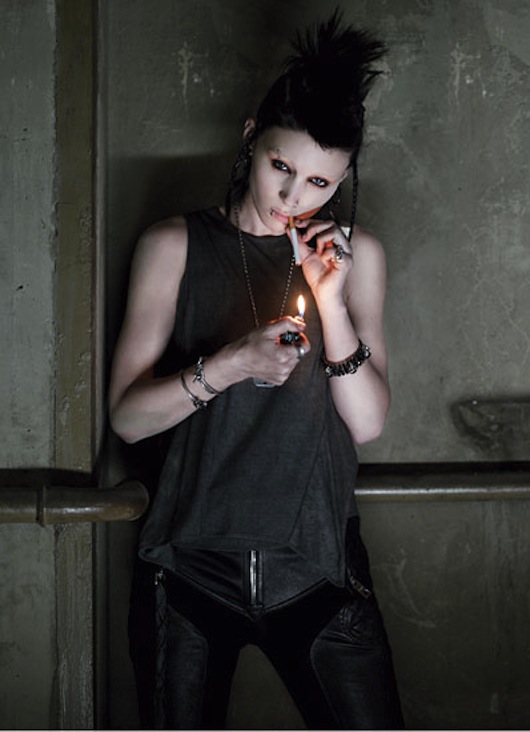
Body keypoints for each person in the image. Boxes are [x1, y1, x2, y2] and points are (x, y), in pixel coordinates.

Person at [109, 10, 404, 730]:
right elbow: (128, 418)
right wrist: (232, 363)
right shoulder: (174, 244)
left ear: (342, 180)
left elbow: (367, 422)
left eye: (319, 182)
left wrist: (330, 302)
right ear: (250, 138)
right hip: (188, 567)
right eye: (281, 167)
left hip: (319, 563)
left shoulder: (355, 256)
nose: (293, 198)